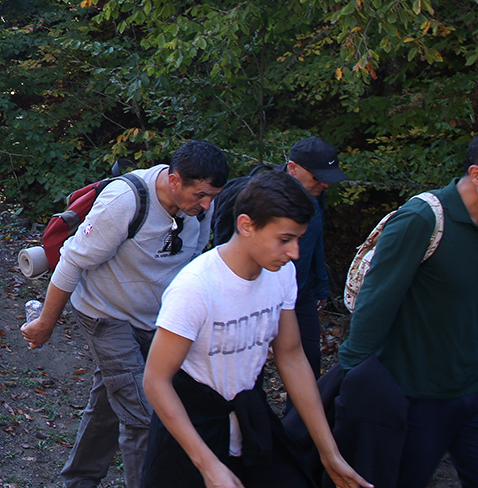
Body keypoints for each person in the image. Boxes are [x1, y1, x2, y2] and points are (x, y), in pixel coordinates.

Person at [142, 171, 371, 488]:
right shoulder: (196, 288)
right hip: (191, 431)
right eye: (285, 239)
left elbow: (290, 356)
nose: (294, 253)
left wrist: (328, 452)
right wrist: (208, 465)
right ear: (247, 225)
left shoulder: (281, 274)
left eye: (298, 240)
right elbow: (156, 381)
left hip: (250, 420)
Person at [22, 140, 228, 488]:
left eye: (212, 196)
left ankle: (78, 479)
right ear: (175, 181)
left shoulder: (200, 210)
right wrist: (45, 323)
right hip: (104, 314)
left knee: (111, 398)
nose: (208, 205)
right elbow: (72, 260)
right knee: (143, 416)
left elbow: (193, 270)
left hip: (154, 320)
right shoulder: (127, 201)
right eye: (201, 195)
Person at [328, 126, 478, 488]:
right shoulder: (423, 219)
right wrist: (356, 387)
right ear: (477, 175)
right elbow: (374, 303)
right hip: (415, 396)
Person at [211, 136, 347, 374]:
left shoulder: (316, 196)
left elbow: (315, 239)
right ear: (293, 168)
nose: (324, 185)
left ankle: (302, 411)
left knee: (308, 359)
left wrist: (321, 286)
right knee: (250, 365)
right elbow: (231, 246)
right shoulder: (260, 196)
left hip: (301, 290)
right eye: (318, 177)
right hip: (259, 292)